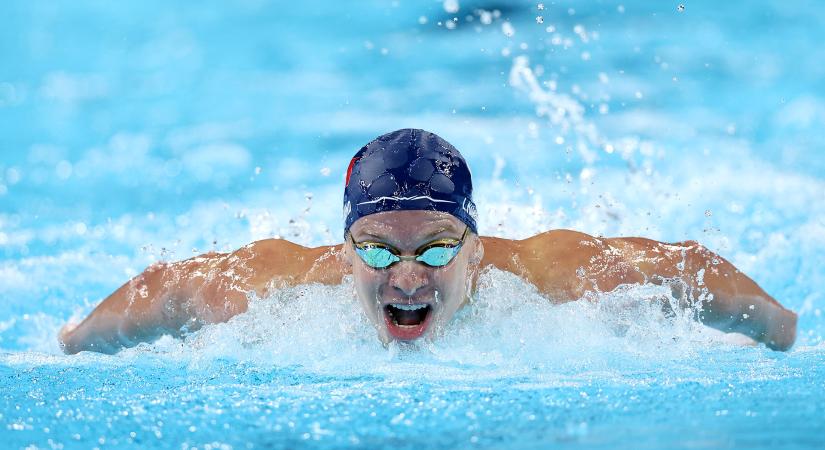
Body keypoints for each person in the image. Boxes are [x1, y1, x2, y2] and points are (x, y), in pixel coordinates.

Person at [58, 129, 798, 354]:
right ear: (344, 251)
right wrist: (71, 345)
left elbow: (689, 269)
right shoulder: (263, 288)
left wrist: (779, 332)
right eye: (378, 250)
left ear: (477, 249)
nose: (407, 276)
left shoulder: (562, 275)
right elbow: (167, 287)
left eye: (438, 249)